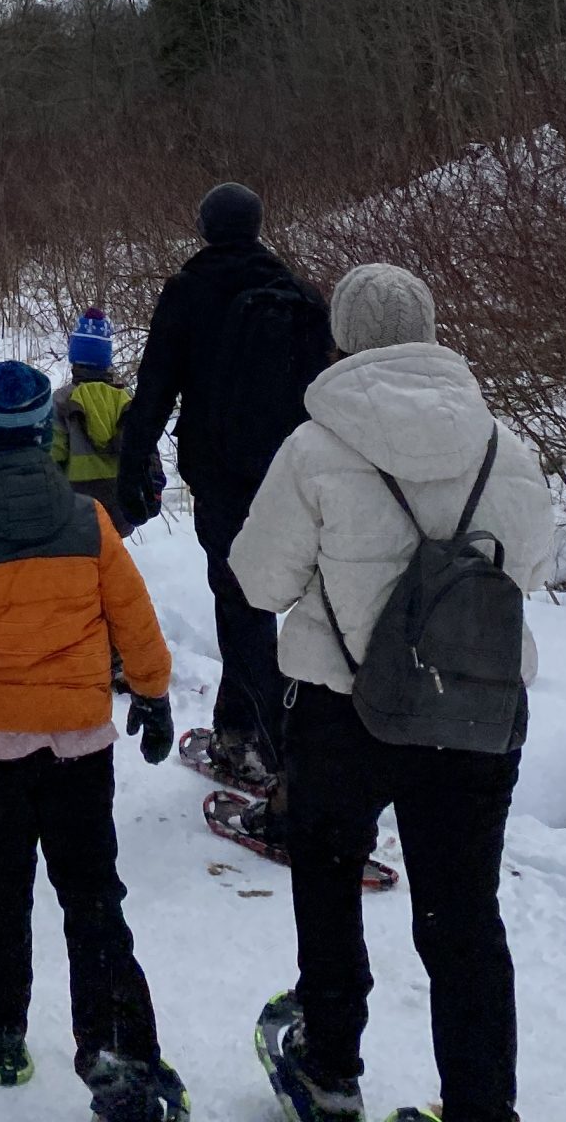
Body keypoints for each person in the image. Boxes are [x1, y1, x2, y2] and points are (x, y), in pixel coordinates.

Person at [234, 262, 553, 1122]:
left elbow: (260, 582)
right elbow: (530, 571)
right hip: (476, 713)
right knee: (465, 919)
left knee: (330, 883)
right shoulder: (503, 446)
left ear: (341, 337)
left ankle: (330, 1065)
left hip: (345, 711)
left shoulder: (312, 448)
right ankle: (482, 1107)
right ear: (431, 330)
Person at [0, 360, 189, 1122]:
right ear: (40, 437)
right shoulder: (87, 523)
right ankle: (122, 1056)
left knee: (2, 886)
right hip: (83, 749)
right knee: (94, 895)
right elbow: (136, 621)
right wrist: (154, 695)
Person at [116, 181, 330, 789]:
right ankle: (241, 733)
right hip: (297, 474)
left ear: (207, 226)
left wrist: (134, 466)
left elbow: (156, 385)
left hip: (223, 475)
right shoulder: (298, 294)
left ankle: (271, 748)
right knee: (268, 606)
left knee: (242, 606)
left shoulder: (190, 290)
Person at [51, 308, 151, 537]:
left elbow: (52, 459)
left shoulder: (61, 401)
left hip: (75, 508)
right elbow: (144, 451)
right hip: (120, 506)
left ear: (74, 358)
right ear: (106, 360)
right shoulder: (126, 400)